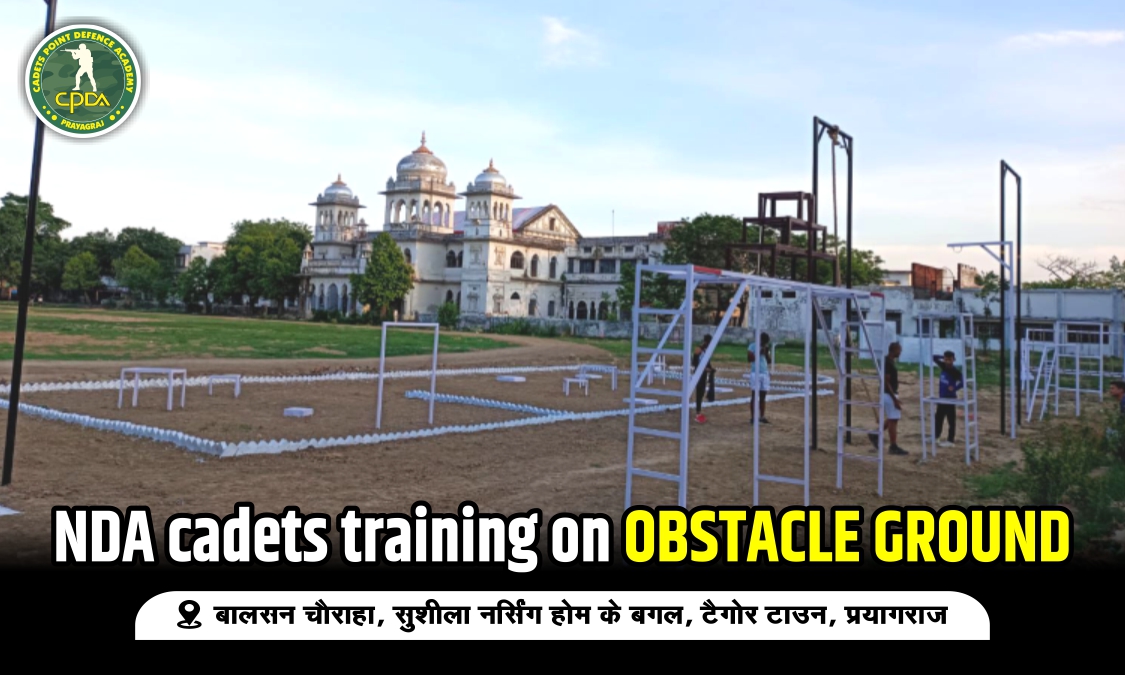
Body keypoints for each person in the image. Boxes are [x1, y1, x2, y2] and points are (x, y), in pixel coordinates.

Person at [869, 342, 908, 455]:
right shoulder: (887, 362)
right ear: (894, 350)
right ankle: (893, 446)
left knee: (892, 418)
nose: (900, 352)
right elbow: (886, 382)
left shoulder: (889, 361)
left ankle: (875, 434)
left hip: (889, 393)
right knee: (893, 420)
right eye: (899, 350)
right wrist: (894, 399)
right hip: (888, 393)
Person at [932, 350, 964, 447]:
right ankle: (936, 437)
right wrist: (942, 357)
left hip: (950, 398)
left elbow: (963, 382)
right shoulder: (943, 366)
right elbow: (934, 357)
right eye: (946, 359)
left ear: (953, 360)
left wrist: (954, 388)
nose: (947, 362)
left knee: (951, 419)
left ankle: (950, 440)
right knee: (938, 418)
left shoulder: (954, 371)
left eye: (949, 359)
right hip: (942, 397)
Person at [747, 332, 772, 424]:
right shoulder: (752, 346)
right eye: (763, 342)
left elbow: (769, 361)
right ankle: (753, 417)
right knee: (754, 395)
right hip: (755, 373)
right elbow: (749, 359)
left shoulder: (765, 347)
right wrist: (758, 352)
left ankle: (762, 416)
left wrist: (766, 353)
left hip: (764, 372)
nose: (764, 344)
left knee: (763, 396)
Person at [692, 335, 716, 423]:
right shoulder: (699, 349)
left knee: (701, 393)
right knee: (699, 393)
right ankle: (698, 413)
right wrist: (704, 368)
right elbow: (694, 362)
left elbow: (707, 363)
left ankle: (699, 411)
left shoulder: (707, 351)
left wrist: (711, 369)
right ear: (706, 341)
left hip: (704, 374)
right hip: (698, 374)